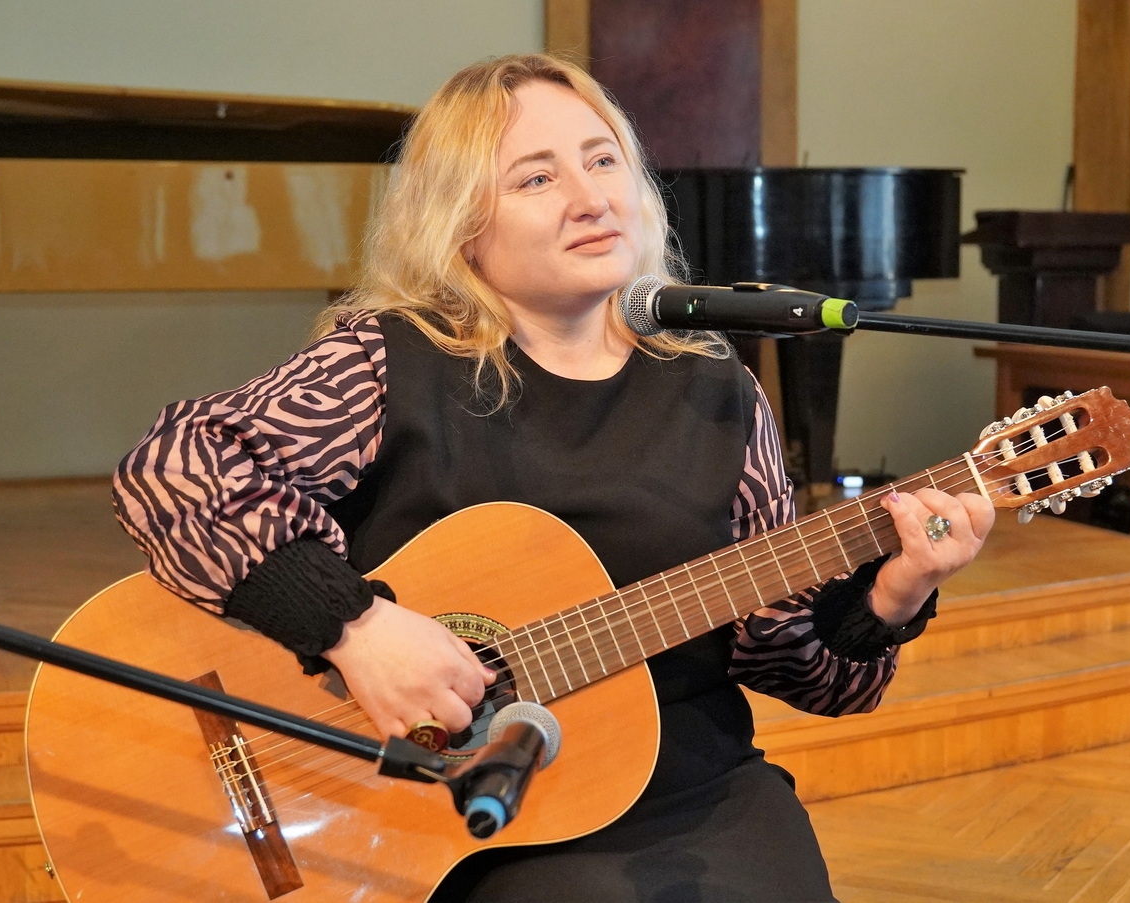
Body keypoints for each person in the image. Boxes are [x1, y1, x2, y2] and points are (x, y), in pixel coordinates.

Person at [112, 52, 994, 903]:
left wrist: (895, 592)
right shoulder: (388, 362)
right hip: (448, 807)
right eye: (536, 178)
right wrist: (356, 628)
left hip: (691, 790)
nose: (590, 197)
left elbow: (797, 666)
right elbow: (175, 471)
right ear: (461, 224)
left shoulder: (717, 388)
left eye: (603, 160)